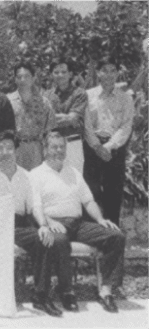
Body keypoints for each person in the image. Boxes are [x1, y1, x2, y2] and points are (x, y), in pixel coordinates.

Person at [0, 130, 69, 316]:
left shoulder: (27, 176)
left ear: (16, 150)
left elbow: (35, 205)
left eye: (9, 148)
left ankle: (41, 296)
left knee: (44, 240)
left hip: (18, 225)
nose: (5, 152)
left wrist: (43, 225)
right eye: (0, 148)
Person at [30, 131, 126, 313]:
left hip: (78, 224)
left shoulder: (73, 172)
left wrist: (100, 219)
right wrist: (48, 221)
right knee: (59, 241)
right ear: (45, 150)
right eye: (54, 147)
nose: (58, 151)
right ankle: (66, 291)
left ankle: (105, 289)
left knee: (116, 236)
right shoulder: (36, 174)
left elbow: (88, 201)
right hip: (55, 223)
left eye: (62, 147)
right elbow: (36, 206)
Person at [83, 57, 134, 226]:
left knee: (113, 193)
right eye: (105, 70)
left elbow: (126, 126)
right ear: (98, 73)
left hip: (115, 150)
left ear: (118, 73)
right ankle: (92, 236)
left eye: (113, 70)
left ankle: (113, 237)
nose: (109, 74)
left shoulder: (126, 98)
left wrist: (109, 146)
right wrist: (97, 146)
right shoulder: (88, 96)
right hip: (92, 148)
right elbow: (86, 125)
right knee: (91, 192)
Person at [43, 58, 89, 173]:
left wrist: (52, 118)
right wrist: (66, 117)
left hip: (73, 144)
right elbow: (42, 119)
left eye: (63, 72)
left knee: (74, 182)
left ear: (70, 74)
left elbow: (72, 118)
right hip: (53, 144)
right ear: (51, 75)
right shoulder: (47, 95)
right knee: (54, 181)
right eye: (56, 72)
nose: (60, 75)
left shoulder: (79, 93)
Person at [7, 63, 56, 170]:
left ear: (33, 78)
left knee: (36, 183)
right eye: (19, 77)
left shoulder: (44, 102)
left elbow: (50, 131)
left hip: (37, 149)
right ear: (15, 79)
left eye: (27, 76)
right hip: (15, 148)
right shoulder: (7, 102)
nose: (23, 80)